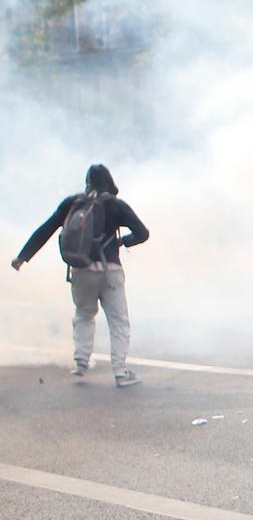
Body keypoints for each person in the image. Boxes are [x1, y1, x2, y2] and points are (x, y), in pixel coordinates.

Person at [11, 164, 150, 387]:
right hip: (110, 270)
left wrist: (23, 257)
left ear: (87, 184)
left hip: (80, 271)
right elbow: (143, 233)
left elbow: (45, 229)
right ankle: (121, 372)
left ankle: (81, 362)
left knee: (84, 315)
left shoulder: (73, 203)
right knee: (118, 320)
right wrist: (122, 241)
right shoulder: (114, 204)